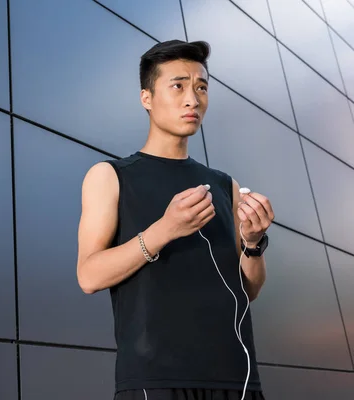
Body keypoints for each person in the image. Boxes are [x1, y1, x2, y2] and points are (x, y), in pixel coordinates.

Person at [76, 39, 274, 400]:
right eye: (178, 85)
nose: (192, 99)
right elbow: (88, 276)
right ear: (146, 98)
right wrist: (164, 230)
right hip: (155, 379)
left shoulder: (224, 185)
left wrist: (252, 243)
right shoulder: (111, 176)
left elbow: (249, 289)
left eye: (201, 87)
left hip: (237, 378)